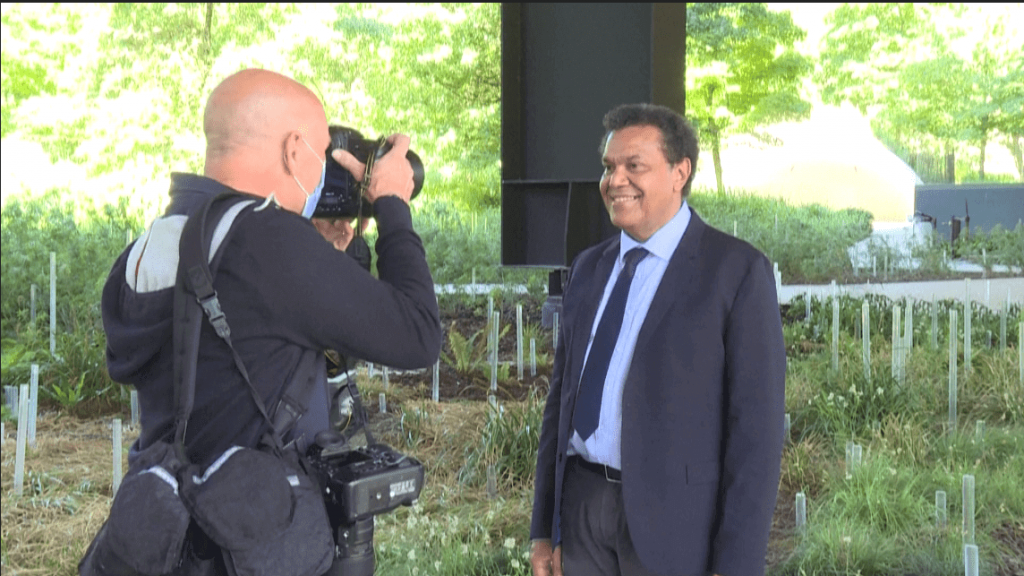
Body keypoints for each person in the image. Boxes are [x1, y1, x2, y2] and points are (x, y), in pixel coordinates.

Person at [101, 68, 441, 566]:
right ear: (294, 149)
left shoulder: (148, 247)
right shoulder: (270, 243)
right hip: (256, 543)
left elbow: (263, 347)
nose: (326, 168)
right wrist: (391, 205)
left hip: (174, 541)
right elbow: (417, 334)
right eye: (323, 152)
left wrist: (330, 257)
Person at [529, 103, 786, 576]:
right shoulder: (588, 268)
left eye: (634, 166)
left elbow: (757, 437)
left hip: (676, 528)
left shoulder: (736, 272)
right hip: (582, 512)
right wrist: (544, 529)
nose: (615, 180)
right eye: (609, 167)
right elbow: (559, 405)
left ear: (679, 172)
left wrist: (736, 567)